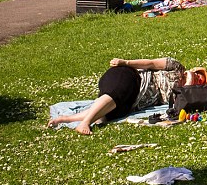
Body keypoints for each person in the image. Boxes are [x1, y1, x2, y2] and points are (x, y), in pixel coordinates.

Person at [47, 57, 186, 135]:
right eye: (197, 75)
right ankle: (85, 122)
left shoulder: (183, 95)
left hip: (133, 102)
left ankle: (65, 119)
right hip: (132, 77)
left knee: (109, 113)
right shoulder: (177, 67)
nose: (197, 78)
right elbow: (151, 63)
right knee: (117, 93)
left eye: (200, 80)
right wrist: (125, 63)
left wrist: (187, 88)